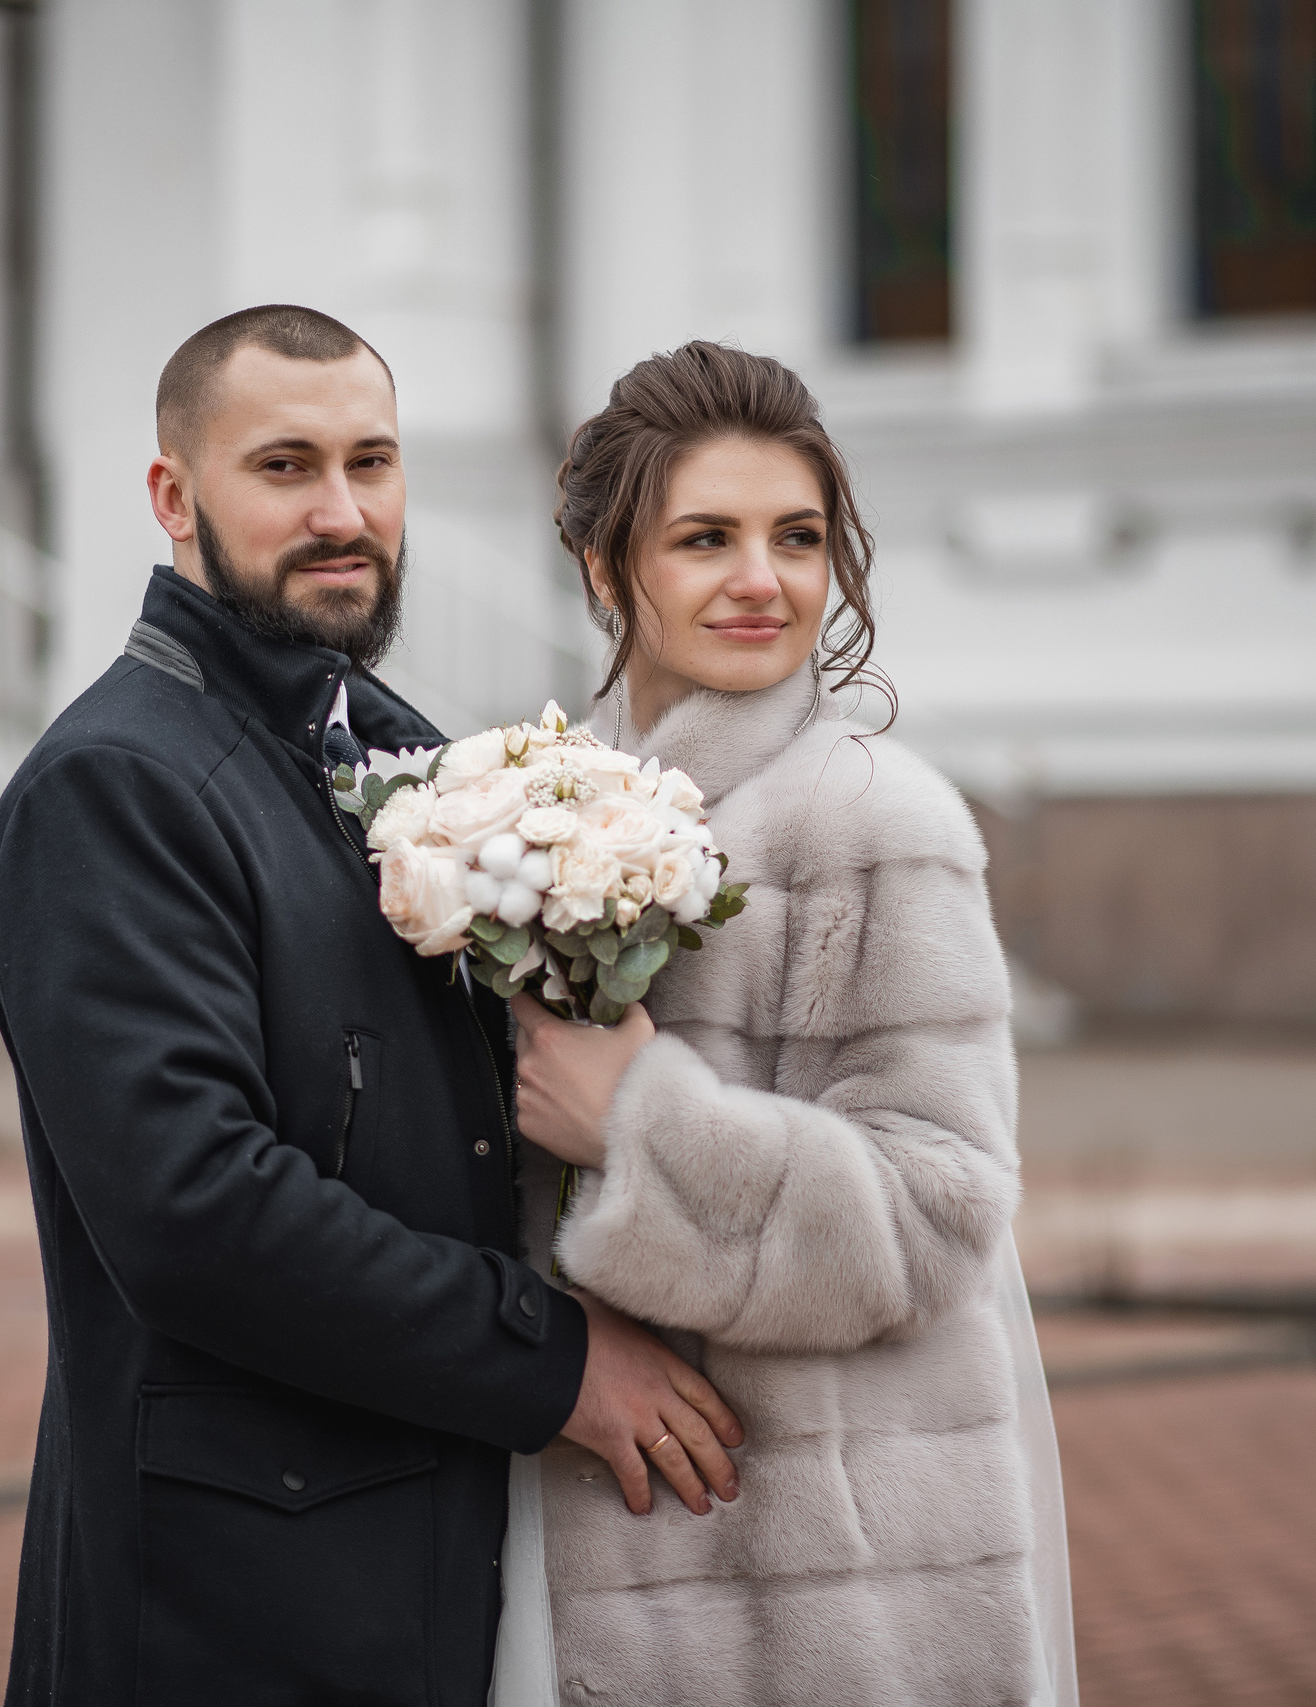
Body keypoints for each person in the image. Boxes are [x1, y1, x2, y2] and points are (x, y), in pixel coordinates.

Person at [0, 306, 743, 1706]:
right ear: (174, 497)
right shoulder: (114, 789)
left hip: (432, 1561)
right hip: (234, 1613)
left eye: (372, 463)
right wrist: (553, 1359)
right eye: (283, 468)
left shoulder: (412, 757)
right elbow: (197, 1215)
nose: (344, 513)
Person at [502, 342, 1077, 1706]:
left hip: (826, 1566)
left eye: (798, 537)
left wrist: (642, 1126)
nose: (763, 580)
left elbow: (941, 1212)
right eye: (706, 538)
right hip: (596, 1518)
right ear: (603, 568)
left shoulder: (877, 821)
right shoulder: (531, 812)